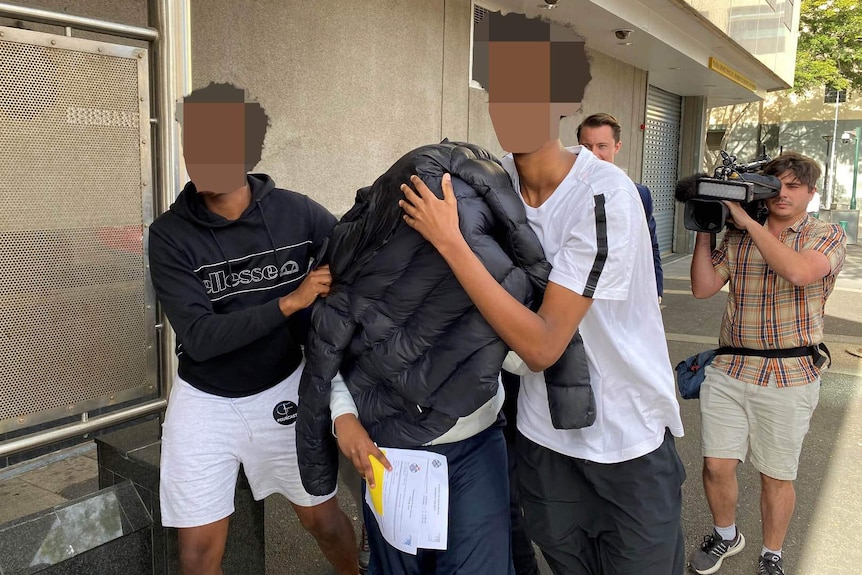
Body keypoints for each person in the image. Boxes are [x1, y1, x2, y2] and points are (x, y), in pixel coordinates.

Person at [399, 10, 685, 575]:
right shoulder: (487, 186)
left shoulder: (604, 194)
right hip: (541, 439)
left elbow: (545, 344)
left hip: (625, 441)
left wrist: (452, 244)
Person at [148, 82, 358, 575]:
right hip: (206, 399)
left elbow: (352, 261)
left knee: (323, 521)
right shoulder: (169, 235)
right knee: (197, 556)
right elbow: (198, 336)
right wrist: (290, 301)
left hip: (284, 385)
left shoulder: (296, 213)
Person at [688, 152, 846, 575]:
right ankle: (726, 535)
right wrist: (706, 226)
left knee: (775, 475)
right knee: (715, 465)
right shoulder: (737, 237)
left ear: (811, 193)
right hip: (729, 369)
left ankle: (771, 554)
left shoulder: (824, 234)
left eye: (794, 186)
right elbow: (703, 287)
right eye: (776, 185)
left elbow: (798, 272)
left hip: (789, 374)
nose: (783, 193)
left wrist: (749, 222)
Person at [577, 112, 663, 300]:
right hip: (574, 294)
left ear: (617, 147)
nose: (593, 154)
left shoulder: (639, 194)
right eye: (586, 147)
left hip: (619, 297)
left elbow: (649, 246)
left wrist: (656, 290)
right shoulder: (564, 190)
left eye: (602, 146)